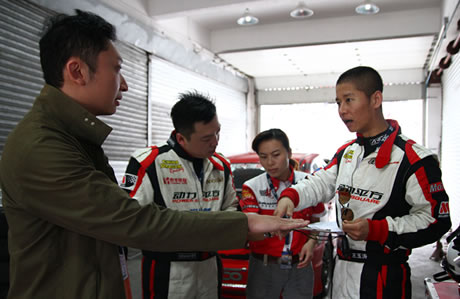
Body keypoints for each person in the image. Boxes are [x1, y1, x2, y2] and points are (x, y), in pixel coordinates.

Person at [0, 10, 308, 299]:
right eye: (117, 69)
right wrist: (244, 224)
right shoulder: (43, 147)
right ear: (77, 71)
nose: (125, 85)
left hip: (199, 267)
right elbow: (133, 220)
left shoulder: (77, 138)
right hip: (162, 271)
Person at [274, 66, 452, 299]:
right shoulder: (347, 152)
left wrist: (377, 230)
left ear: (376, 99)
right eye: (338, 102)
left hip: (384, 276)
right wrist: (291, 196)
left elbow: (435, 220)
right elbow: (321, 182)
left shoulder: (414, 159)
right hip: (342, 270)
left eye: (349, 100)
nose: (342, 110)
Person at [121, 91, 238, 298]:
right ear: (181, 137)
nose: (215, 142)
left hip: (209, 266)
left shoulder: (222, 165)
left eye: (217, 133)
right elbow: (130, 218)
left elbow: (231, 208)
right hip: (167, 269)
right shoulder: (148, 162)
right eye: (206, 138)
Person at [240, 129, 326, 299]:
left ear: (289, 153)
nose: (270, 162)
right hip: (263, 266)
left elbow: (318, 221)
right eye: (263, 157)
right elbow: (250, 230)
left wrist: (311, 243)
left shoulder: (309, 183)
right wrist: (271, 230)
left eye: (276, 155)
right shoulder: (251, 187)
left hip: (299, 266)